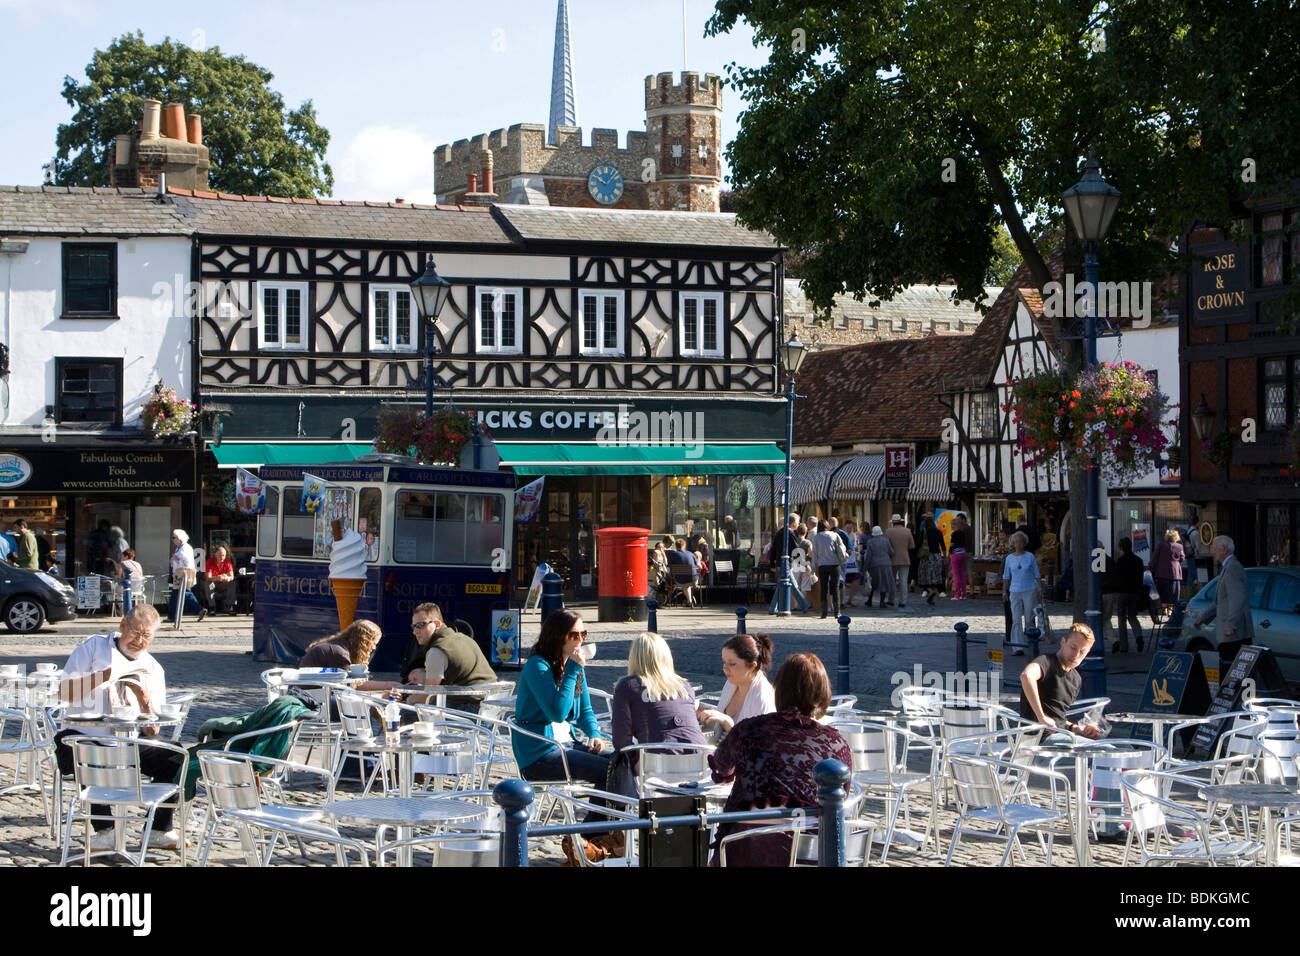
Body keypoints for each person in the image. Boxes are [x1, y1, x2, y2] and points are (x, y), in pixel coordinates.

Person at [55, 605, 184, 850]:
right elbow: (65, 692)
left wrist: (145, 703)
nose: (140, 641)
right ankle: (105, 830)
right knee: (75, 745)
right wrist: (104, 676)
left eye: (147, 636)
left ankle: (158, 829)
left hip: (127, 743)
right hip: (86, 736)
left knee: (176, 756)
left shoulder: (152, 668)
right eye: (135, 633)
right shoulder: (94, 647)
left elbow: (152, 731)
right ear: (123, 626)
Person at [708, 653, 853, 866]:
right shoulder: (837, 743)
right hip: (810, 853)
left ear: (780, 690)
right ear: (823, 694)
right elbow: (842, 795)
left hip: (748, 847)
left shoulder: (749, 729)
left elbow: (721, 770)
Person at [512, 609, 611, 786]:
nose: (580, 640)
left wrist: (593, 734)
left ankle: (607, 813)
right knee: (608, 771)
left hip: (567, 744)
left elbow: (585, 710)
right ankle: (602, 814)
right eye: (574, 635)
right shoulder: (537, 665)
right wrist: (572, 671)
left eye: (583, 633)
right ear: (557, 637)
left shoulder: (573, 665)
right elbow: (556, 714)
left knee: (620, 763)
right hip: (540, 754)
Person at [610, 632, 707, 782]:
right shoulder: (685, 686)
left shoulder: (627, 686)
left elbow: (621, 740)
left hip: (656, 764)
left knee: (613, 766)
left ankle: (616, 804)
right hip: (700, 761)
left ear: (634, 658)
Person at [399, 603, 497, 712]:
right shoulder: (465, 639)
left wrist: (408, 701)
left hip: (468, 711)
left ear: (436, 624)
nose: (415, 632)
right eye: (413, 626)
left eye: (420, 625)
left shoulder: (436, 651)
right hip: (490, 709)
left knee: (403, 712)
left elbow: (428, 696)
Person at [1018, 623, 1102, 738]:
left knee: (1114, 749)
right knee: (1101, 750)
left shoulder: (1076, 679)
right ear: (1063, 642)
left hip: (1061, 735)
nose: (1076, 655)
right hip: (1037, 739)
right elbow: (1026, 676)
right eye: (1073, 648)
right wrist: (1041, 717)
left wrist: (1075, 728)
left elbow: (1057, 717)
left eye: (1082, 652)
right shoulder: (1047, 662)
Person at [697, 633, 776, 737]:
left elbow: (756, 746)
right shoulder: (732, 683)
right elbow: (719, 727)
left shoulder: (761, 698)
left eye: (732, 664)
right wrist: (705, 712)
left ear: (752, 666)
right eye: (724, 662)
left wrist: (728, 722)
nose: (725, 668)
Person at [1195, 535, 1254, 665]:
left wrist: (1231, 624)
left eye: (1215, 549)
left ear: (1224, 549)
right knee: (1226, 667)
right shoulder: (1228, 566)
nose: (1213, 552)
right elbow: (1221, 601)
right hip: (1230, 634)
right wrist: (1203, 618)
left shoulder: (1232, 567)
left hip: (1234, 634)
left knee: (1228, 668)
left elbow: (1237, 598)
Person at [300, 619, 396, 692]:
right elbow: (354, 686)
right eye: (374, 643)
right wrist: (388, 686)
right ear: (364, 641)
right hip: (312, 697)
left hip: (309, 692)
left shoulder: (337, 646)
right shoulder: (340, 654)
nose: (374, 648)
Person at [1002, 531, 1042, 656]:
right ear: (1013, 543)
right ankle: (1017, 647)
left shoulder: (1030, 556)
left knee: (1029, 618)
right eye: (1015, 542)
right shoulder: (1009, 558)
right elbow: (1006, 576)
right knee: (1016, 619)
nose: (1018, 544)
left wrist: (1040, 589)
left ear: (1024, 543)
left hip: (1029, 590)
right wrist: (1004, 591)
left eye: (1020, 541)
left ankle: (1031, 643)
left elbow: (1036, 574)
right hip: (1014, 590)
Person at [1112, 537, 1147, 653]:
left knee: (1121, 618)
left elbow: (1116, 578)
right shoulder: (1138, 560)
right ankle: (1139, 636)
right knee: (1132, 617)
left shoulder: (1120, 561)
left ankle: (1124, 646)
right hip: (1135, 592)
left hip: (1122, 592)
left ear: (1121, 547)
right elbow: (1141, 578)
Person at [811, 519, 848, 618]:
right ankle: (837, 612)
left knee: (823, 588)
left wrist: (813, 568)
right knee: (835, 587)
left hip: (822, 565)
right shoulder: (834, 535)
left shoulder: (817, 537)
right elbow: (841, 548)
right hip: (834, 564)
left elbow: (814, 554)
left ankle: (824, 612)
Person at [168, 530, 201, 620]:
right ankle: (199, 610)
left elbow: (187, 562)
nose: (173, 540)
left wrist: (176, 559)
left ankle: (172, 616)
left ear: (180, 538)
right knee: (184, 593)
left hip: (183, 574)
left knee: (179, 594)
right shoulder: (179, 548)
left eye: (174, 538)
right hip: (179, 574)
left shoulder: (185, 548)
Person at [1149, 528, 1186, 609]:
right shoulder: (1180, 546)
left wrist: (1150, 567)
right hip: (1175, 574)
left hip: (1162, 573)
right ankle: (1171, 609)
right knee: (1174, 593)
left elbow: (1154, 557)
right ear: (1176, 537)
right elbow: (1182, 558)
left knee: (1163, 592)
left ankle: (1165, 608)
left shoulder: (1161, 545)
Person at [884, 515, 915, 607]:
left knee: (892, 580)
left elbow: (885, 545)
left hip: (892, 559)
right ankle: (903, 601)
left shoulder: (889, 531)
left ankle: (891, 599)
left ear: (893, 522)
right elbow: (912, 546)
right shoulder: (907, 531)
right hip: (905, 558)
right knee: (904, 581)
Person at [917, 512, 947, 604]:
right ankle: (935, 592)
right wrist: (945, 557)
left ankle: (930, 591)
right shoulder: (938, 532)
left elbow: (918, 544)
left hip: (927, 557)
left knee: (925, 576)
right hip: (936, 556)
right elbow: (943, 545)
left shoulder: (924, 532)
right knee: (936, 576)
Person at [863, 525, 895, 608]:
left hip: (874, 565)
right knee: (884, 583)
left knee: (874, 583)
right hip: (886, 564)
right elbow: (891, 552)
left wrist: (865, 567)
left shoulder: (870, 542)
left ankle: (869, 600)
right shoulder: (886, 541)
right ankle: (882, 602)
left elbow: (868, 556)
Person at [201, 545, 237, 619]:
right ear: (215, 554)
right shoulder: (209, 562)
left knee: (232, 583)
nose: (222, 557)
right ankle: (212, 608)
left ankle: (229, 606)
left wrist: (227, 578)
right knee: (208, 584)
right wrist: (217, 577)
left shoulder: (227, 562)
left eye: (223, 555)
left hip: (222, 583)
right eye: (220, 555)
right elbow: (208, 577)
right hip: (213, 583)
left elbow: (232, 576)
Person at [666, 537, 700, 606]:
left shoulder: (673, 555)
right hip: (693, 579)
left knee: (685, 584)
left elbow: (668, 570)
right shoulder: (691, 554)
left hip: (680, 580)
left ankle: (668, 600)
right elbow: (700, 566)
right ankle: (690, 600)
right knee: (687, 585)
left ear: (676, 546)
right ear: (684, 546)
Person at [842, 520, 864, 607]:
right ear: (844, 527)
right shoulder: (841, 534)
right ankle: (842, 601)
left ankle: (850, 599)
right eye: (848, 528)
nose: (849, 529)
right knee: (841, 581)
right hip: (843, 561)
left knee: (856, 579)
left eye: (851, 528)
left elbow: (856, 549)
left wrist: (858, 560)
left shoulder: (854, 535)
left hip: (852, 561)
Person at [949, 514, 971, 600]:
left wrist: (950, 552)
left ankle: (957, 594)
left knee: (956, 575)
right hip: (963, 553)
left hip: (956, 555)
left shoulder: (954, 534)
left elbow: (952, 545)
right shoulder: (962, 533)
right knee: (962, 574)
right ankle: (963, 594)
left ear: (954, 526)